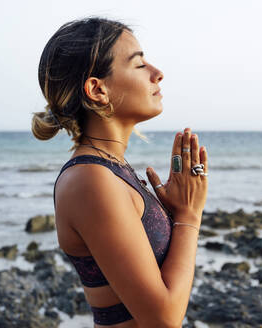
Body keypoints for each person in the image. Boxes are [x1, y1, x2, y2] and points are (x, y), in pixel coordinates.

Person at [31, 17, 208, 328]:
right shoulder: (90, 180)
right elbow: (162, 318)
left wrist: (177, 210)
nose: (157, 73)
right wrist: (189, 217)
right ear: (98, 90)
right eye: (139, 65)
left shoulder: (112, 170)